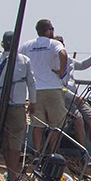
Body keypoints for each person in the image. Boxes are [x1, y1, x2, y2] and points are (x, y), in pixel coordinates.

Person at [0, 31, 35, 181]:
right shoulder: (24, 60)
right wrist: (33, 102)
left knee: (3, 140)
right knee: (15, 142)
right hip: (18, 107)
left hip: (0, 106)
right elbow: (31, 83)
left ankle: (2, 172)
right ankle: (12, 175)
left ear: (2, 44)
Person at [21, 19, 69, 155]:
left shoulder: (27, 45)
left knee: (37, 125)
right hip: (53, 88)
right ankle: (53, 153)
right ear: (48, 31)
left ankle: (37, 153)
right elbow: (63, 54)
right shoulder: (54, 43)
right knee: (56, 125)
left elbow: (17, 57)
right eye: (52, 29)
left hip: (35, 91)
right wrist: (61, 71)